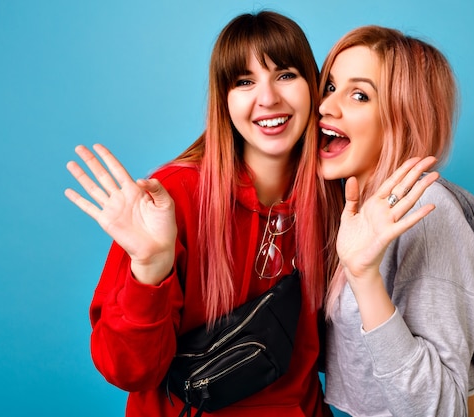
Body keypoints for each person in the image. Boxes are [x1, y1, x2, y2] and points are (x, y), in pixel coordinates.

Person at [64, 11, 340, 417]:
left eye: (285, 75)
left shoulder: (333, 195)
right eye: (245, 82)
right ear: (223, 99)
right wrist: (149, 269)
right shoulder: (172, 197)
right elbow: (128, 371)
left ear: (313, 87)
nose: (268, 99)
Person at [317, 25, 474, 416]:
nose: (327, 107)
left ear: (402, 120)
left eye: (359, 95)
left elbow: (441, 408)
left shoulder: (427, 213)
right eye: (330, 87)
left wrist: (364, 279)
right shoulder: (355, 207)